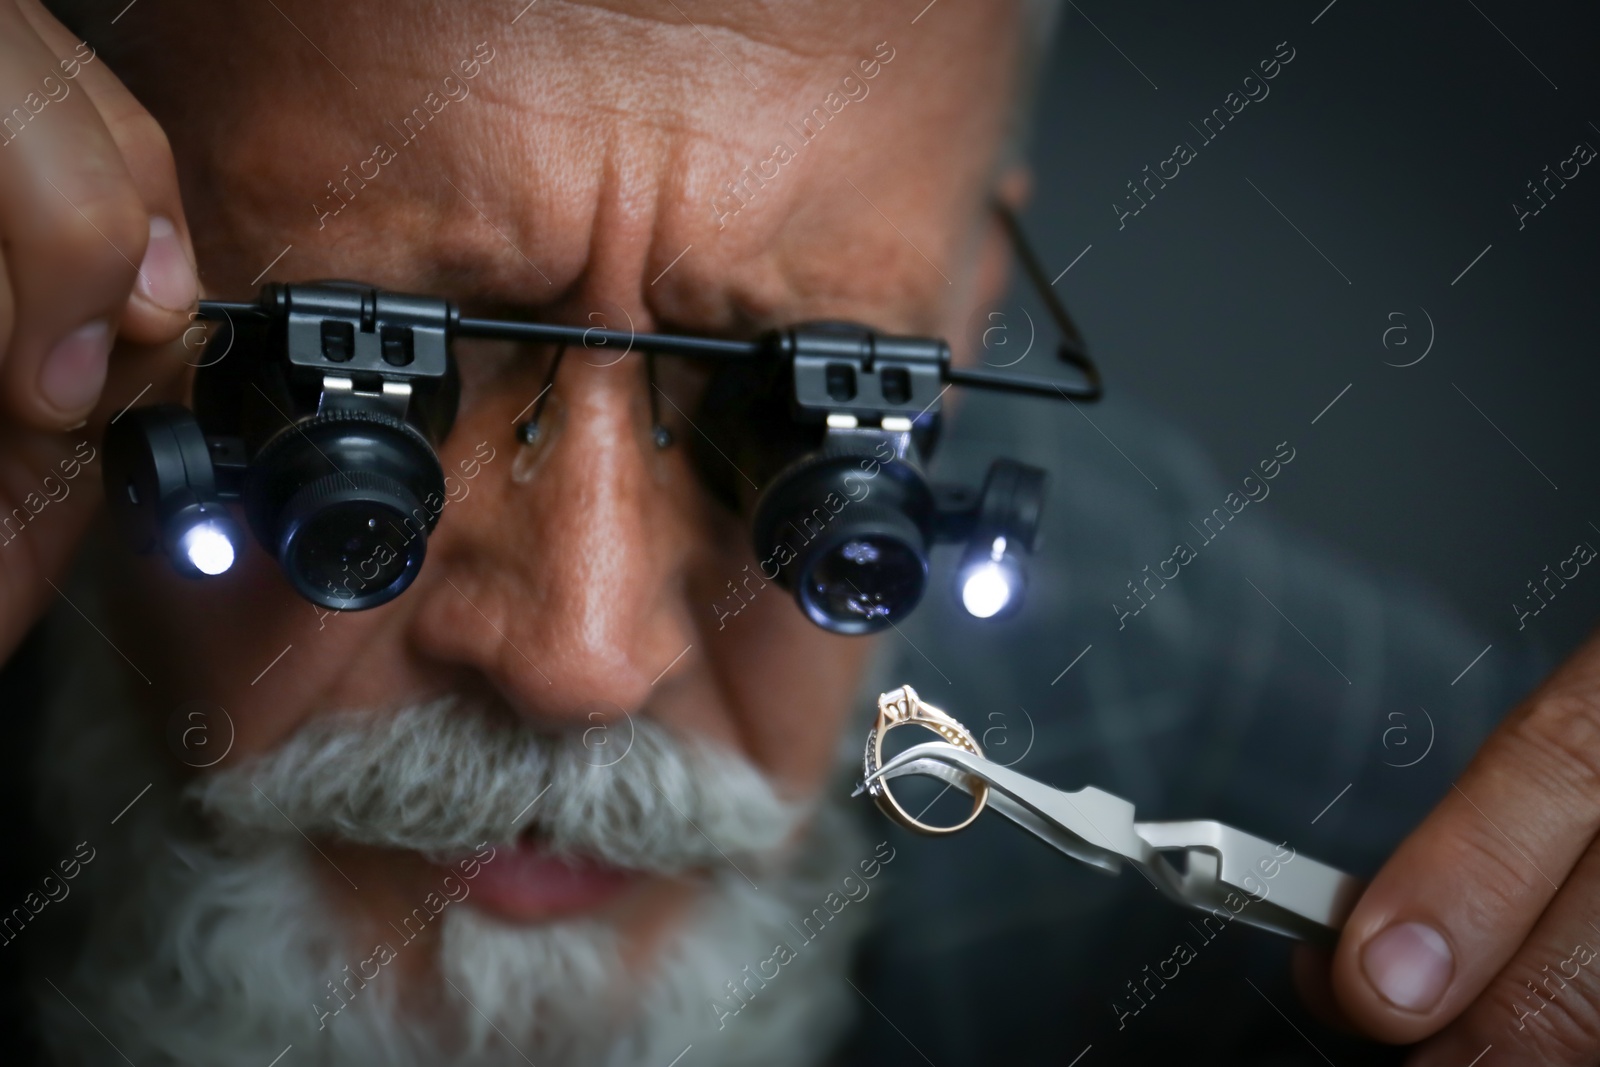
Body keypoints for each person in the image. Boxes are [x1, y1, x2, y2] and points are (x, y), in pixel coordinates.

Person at [0, 1, 1589, 1064]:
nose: (583, 657)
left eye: (812, 416)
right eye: (370, 393)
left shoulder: (1151, 664)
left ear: (967, 320)